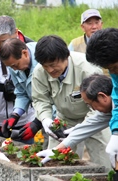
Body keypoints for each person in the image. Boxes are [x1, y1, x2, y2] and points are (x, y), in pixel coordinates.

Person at [32, 35, 111, 169]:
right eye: (46, 66)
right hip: (64, 120)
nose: (50, 70)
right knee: (55, 162)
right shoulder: (39, 72)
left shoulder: (88, 69)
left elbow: (100, 108)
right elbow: (40, 99)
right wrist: (45, 119)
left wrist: (82, 128)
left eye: (53, 65)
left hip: (95, 118)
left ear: (66, 56)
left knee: (104, 163)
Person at [36, 74, 112, 169]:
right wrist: (55, 150)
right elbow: (88, 127)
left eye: (90, 104)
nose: (93, 109)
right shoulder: (107, 111)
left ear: (102, 97)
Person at [0, 38, 42, 142]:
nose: (14, 69)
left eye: (15, 65)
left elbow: (54, 97)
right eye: (10, 67)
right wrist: (15, 114)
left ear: (25, 53)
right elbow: (22, 92)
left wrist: (37, 122)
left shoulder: (43, 61)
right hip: (45, 116)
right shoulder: (14, 66)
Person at [86, 28, 118, 170]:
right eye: (108, 69)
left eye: (114, 67)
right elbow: (117, 102)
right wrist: (116, 132)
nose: (113, 72)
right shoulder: (116, 73)